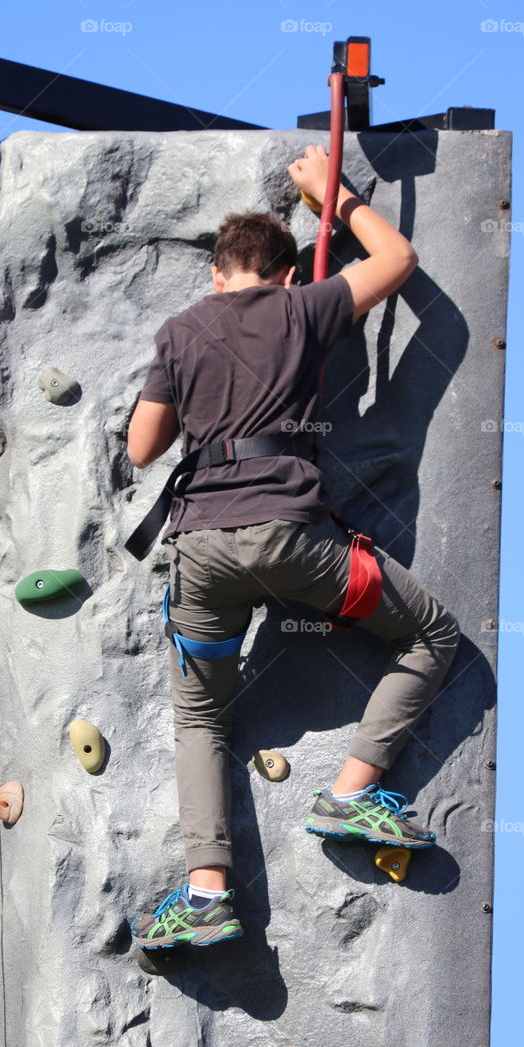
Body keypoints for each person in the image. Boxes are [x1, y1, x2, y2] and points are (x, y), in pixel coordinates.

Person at [127, 145, 460, 950]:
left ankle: (207, 895)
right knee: (429, 635)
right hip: (293, 545)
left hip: (200, 551)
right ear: (284, 274)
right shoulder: (304, 307)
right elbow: (399, 260)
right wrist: (332, 196)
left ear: (216, 274)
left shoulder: (179, 331)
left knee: (201, 718)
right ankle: (351, 793)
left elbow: (142, 448)